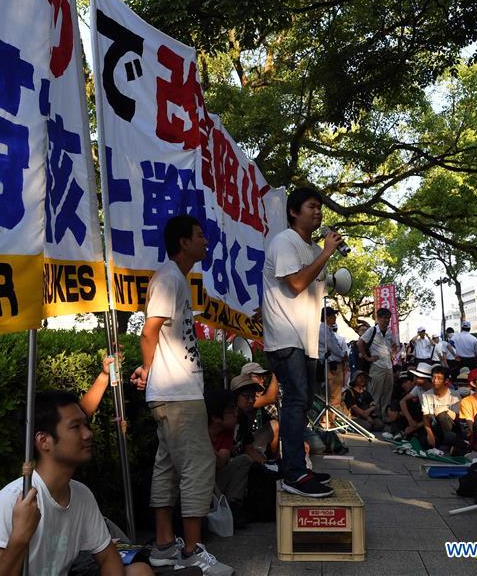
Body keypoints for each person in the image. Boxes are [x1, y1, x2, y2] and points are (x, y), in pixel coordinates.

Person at [130, 215, 231, 574]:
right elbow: (149, 331)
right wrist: (150, 368)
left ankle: (162, 547)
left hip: (173, 393)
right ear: (183, 241)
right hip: (178, 395)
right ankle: (190, 551)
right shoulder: (169, 278)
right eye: (200, 236)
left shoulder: (176, 280)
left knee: (168, 468)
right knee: (198, 466)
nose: (206, 241)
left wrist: (150, 371)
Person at [0, 391, 152, 576]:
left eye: (86, 424)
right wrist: (19, 538)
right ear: (44, 441)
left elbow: (109, 558)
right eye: (76, 427)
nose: (88, 434)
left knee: (138, 571)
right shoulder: (13, 500)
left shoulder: (81, 494)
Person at [261, 186, 342, 498]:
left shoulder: (309, 249)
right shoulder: (285, 242)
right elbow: (295, 283)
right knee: (295, 402)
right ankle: (293, 473)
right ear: (294, 212)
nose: (318, 212)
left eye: (320, 207)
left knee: (303, 403)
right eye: (311, 206)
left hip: (305, 341)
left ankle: (297, 468)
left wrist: (322, 256)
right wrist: (326, 252)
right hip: (286, 339)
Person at [205, 390, 251, 528]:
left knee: (244, 460)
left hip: (216, 480)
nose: (236, 414)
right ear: (216, 418)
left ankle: (232, 507)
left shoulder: (227, 431)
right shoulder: (198, 431)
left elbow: (221, 461)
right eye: (231, 411)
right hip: (200, 484)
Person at [357, 308, 398, 427]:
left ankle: (384, 415)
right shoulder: (372, 330)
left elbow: (394, 345)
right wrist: (367, 358)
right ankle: (373, 415)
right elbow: (360, 343)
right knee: (375, 392)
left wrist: (393, 354)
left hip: (388, 366)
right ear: (378, 318)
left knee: (387, 392)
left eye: (388, 318)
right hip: (377, 366)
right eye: (384, 318)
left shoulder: (390, 332)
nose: (386, 320)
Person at [419, 365, 464, 452]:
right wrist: (430, 434)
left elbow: (459, 418)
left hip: (452, 428)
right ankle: (444, 444)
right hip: (436, 428)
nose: (435, 381)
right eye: (433, 377)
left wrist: (445, 411)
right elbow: (426, 417)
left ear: (446, 380)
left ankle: (447, 443)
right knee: (424, 441)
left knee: (442, 415)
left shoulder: (454, 395)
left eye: (439, 378)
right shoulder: (426, 395)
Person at [319, 307, 347, 426]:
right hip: (331, 365)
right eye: (333, 315)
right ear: (328, 317)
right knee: (334, 396)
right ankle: (329, 421)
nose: (335, 317)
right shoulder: (323, 329)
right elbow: (333, 347)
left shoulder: (327, 329)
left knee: (331, 395)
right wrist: (342, 354)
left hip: (331, 364)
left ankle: (329, 419)